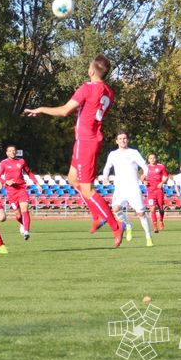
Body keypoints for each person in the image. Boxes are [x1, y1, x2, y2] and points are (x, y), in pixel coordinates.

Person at [24, 54, 123, 247]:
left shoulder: (87, 88)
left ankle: (115, 226)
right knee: (72, 178)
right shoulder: (109, 93)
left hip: (85, 141)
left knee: (87, 189)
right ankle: (96, 215)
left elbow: (64, 111)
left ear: (92, 70)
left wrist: (41, 109)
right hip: (90, 139)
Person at [101, 130, 154, 247]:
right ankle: (128, 225)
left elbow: (145, 166)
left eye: (124, 138)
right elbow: (107, 167)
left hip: (133, 188)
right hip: (120, 188)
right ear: (116, 141)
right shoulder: (113, 154)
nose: (122, 140)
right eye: (120, 138)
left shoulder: (133, 152)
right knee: (115, 209)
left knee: (141, 214)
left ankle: (148, 236)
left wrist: (144, 174)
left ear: (127, 140)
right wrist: (105, 176)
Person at [0, 145, 40, 240]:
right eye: (10, 151)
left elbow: (29, 172)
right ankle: (22, 223)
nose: (12, 152)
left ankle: (26, 231)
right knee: (18, 215)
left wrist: (37, 183)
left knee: (25, 209)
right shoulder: (3, 163)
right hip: (11, 192)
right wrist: (5, 182)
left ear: (16, 152)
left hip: (22, 189)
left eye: (14, 150)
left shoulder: (21, 161)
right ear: (7, 153)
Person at [143, 153, 168, 233]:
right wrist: (144, 181)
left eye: (154, 158)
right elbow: (142, 177)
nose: (152, 159)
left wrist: (162, 182)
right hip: (150, 191)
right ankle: (154, 227)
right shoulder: (146, 167)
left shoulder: (161, 167)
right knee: (152, 208)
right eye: (150, 158)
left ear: (156, 158)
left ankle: (161, 220)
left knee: (161, 208)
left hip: (159, 191)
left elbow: (166, 177)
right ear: (148, 159)